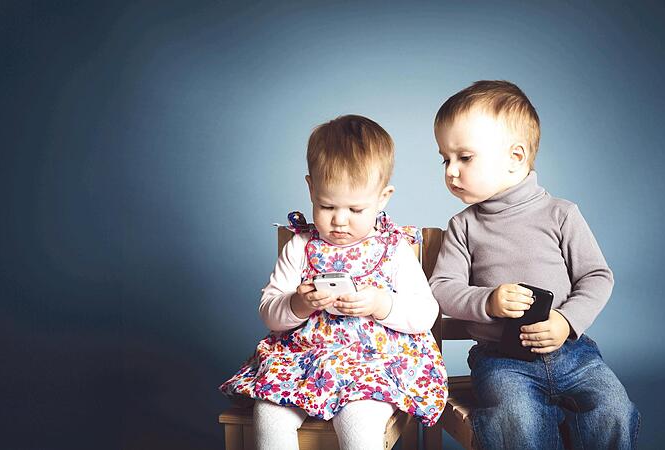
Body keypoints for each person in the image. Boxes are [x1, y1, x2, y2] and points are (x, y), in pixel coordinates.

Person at [430, 80, 640, 449]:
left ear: (516, 158)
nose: (450, 170)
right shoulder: (463, 226)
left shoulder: (561, 214)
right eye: (445, 159)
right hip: (501, 361)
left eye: (464, 157)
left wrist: (565, 320)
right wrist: (487, 301)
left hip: (572, 353)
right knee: (515, 419)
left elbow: (596, 276)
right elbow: (442, 288)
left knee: (613, 409)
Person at [220, 114, 447, 450]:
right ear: (311, 188)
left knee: (360, 423)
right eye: (326, 206)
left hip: (372, 364)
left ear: (383, 197)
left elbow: (425, 313)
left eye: (356, 209)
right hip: (301, 361)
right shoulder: (301, 246)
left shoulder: (394, 248)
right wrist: (297, 304)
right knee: (269, 414)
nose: (340, 220)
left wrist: (380, 304)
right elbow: (269, 311)